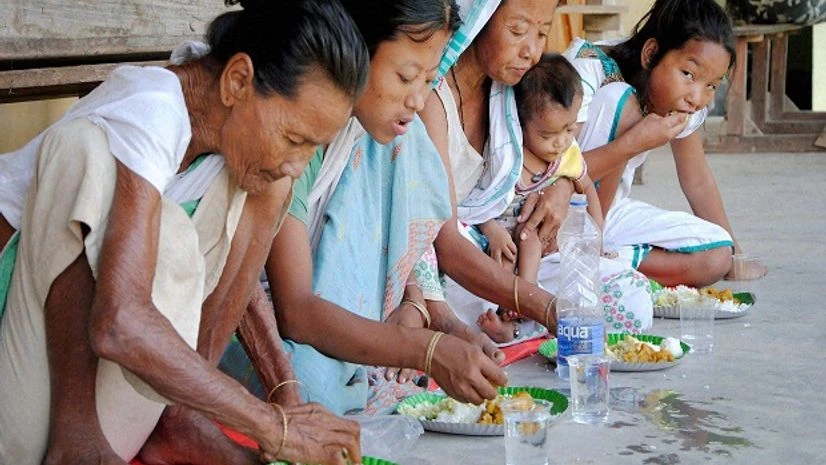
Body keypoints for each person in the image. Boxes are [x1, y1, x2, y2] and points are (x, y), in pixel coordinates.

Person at [0, 1, 369, 465]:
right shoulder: (152, 107)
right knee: (88, 155)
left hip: (87, 368)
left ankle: (173, 416)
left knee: (268, 184)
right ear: (237, 80)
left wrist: (288, 397)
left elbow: (241, 276)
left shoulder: (222, 136)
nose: (298, 162)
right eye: (295, 139)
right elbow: (120, 323)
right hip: (17, 343)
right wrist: (271, 426)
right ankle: (78, 441)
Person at [223, 0, 508, 417]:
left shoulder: (386, 133)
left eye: (429, 80)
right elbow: (295, 311)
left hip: (341, 316)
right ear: (356, 50)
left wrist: (421, 311)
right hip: (263, 317)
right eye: (406, 77)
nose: (416, 99)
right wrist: (424, 350)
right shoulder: (297, 133)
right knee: (310, 386)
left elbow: (409, 241)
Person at [419, 0, 654, 339]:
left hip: (512, 257)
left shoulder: (517, 91)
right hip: (454, 262)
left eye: (542, 33)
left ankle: (514, 323)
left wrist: (558, 189)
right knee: (449, 284)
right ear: (478, 19)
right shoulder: (431, 100)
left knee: (632, 299)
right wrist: (542, 306)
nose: (531, 50)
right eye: (517, 31)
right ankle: (518, 320)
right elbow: (444, 241)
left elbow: (559, 162)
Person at [563, 0, 769, 287]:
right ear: (651, 54)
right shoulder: (587, 70)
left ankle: (605, 262)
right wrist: (632, 143)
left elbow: (697, 180)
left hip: (609, 213)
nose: (696, 97)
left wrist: (736, 258)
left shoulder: (687, 103)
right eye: (688, 74)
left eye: (711, 85)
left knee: (717, 256)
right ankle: (579, 258)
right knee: (621, 101)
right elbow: (554, 177)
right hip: (561, 214)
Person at [476, 53, 603, 344]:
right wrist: (491, 229)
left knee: (529, 236)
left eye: (570, 129)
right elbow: (476, 199)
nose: (561, 142)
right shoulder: (506, 156)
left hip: (532, 236)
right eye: (547, 135)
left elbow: (588, 188)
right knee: (503, 266)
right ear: (520, 124)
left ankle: (525, 294)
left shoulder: (567, 156)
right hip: (497, 230)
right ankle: (508, 321)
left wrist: (598, 238)